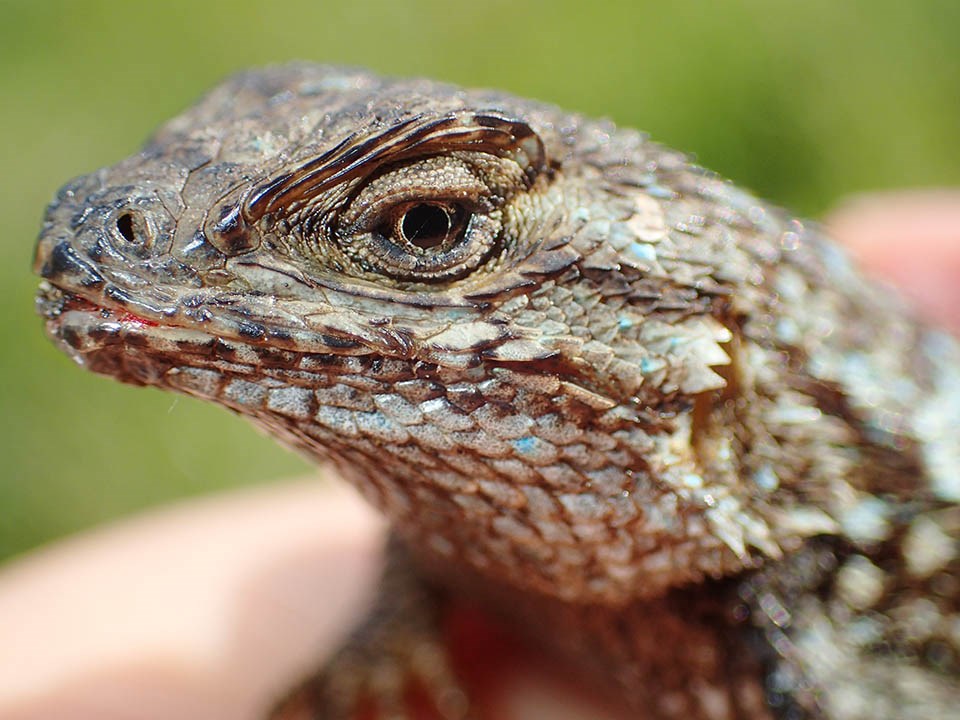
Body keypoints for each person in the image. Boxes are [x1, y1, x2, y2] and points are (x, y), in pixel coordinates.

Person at [2, 192, 959, 720]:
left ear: (705, 365)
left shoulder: (816, 644)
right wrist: (399, 616)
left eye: (427, 227)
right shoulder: (514, 487)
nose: (123, 246)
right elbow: (470, 477)